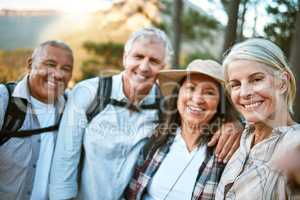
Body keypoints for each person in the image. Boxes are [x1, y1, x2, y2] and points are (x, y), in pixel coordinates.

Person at [49, 27, 241, 200]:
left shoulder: (166, 105)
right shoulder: (89, 93)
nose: (144, 67)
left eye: (154, 61)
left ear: (163, 67)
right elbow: (65, 160)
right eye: (138, 57)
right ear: (125, 58)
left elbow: (201, 111)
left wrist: (234, 123)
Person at [124, 59, 239, 200]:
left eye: (209, 92)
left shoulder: (227, 148)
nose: (197, 99)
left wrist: (239, 124)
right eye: (190, 88)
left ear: (220, 103)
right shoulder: (155, 139)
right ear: (178, 94)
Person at [216, 38, 300, 199]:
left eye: (256, 79)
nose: (244, 93)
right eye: (235, 84)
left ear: (282, 82)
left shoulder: (295, 146)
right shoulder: (242, 139)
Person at [0, 40, 73, 200]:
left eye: (66, 69)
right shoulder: (4, 101)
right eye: (50, 64)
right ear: (30, 64)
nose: (58, 74)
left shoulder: (72, 109)